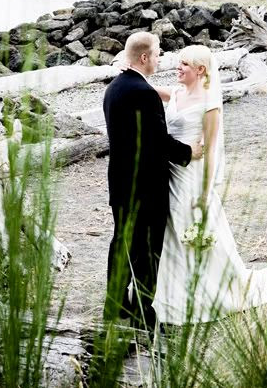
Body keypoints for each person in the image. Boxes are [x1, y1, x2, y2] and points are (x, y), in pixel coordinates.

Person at [152, 45, 267, 325]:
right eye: (178, 63)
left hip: (191, 177)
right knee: (170, 230)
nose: (178, 68)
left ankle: (205, 290)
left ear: (200, 69)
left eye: (184, 64)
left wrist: (205, 192)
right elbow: (148, 91)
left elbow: (211, 150)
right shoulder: (176, 93)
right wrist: (130, 72)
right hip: (169, 173)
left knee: (189, 227)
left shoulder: (209, 105)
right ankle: (169, 289)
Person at [102, 32, 202, 333]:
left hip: (120, 182)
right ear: (144, 57)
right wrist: (189, 152)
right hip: (145, 186)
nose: (160, 58)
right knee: (147, 252)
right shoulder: (143, 93)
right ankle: (143, 312)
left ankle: (115, 303)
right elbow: (157, 142)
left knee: (122, 244)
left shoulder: (114, 88)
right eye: (158, 53)